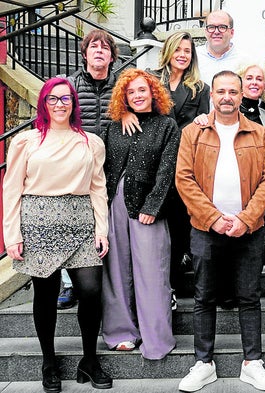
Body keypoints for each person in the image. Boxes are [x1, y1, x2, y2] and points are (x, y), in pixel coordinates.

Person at [3, 77, 112, 392]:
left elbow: (97, 188)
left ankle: (89, 360)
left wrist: (101, 229)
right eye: (53, 98)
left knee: (90, 291)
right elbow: (11, 190)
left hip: (80, 220)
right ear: (44, 103)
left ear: (74, 103)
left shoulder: (91, 142)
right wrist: (12, 235)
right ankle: (49, 362)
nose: (60, 104)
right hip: (38, 220)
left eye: (66, 99)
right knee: (46, 295)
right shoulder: (26, 141)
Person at [176, 70, 265, 392]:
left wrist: (246, 219)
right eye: (221, 91)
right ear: (212, 95)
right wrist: (214, 218)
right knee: (205, 296)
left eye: (233, 91)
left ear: (241, 94)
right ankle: (203, 363)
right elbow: (184, 179)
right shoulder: (194, 133)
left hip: (249, 229)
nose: (227, 97)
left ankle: (253, 363)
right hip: (206, 228)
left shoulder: (258, 133)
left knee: (249, 296)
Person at [122, 31, 211, 299]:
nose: (183, 55)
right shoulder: (149, 77)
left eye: (188, 51)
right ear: (168, 51)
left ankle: (172, 283)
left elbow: (204, 122)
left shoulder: (200, 88)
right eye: (178, 49)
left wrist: (202, 122)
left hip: (184, 161)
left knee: (180, 224)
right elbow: (125, 94)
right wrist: (125, 112)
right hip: (152, 163)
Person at [100, 68, 179, 360]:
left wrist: (153, 206)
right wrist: (121, 117)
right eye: (130, 92)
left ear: (153, 93)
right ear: (124, 97)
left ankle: (156, 339)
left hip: (148, 207)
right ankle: (121, 333)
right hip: (115, 202)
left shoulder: (167, 126)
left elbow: (167, 170)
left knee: (152, 272)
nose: (137, 96)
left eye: (142, 90)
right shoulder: (112, 126)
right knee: (116, 271)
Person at [57, 29, 120, 310]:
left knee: (107, 225)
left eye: (105, 48)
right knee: (70, 222)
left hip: (114, 163)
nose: (99, 51)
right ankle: (70, 285)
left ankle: (108, 284)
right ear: (85, 54)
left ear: (111, 56)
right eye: (94, 46)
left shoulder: (121, 85)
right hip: (75, 164)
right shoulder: (68, 85)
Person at [196, 10, 246, 85]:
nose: (216, 32)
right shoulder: (194, 57)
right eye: (211, 27)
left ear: (232, 33)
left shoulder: (244, 61)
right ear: (206, 32)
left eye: (222, 27)